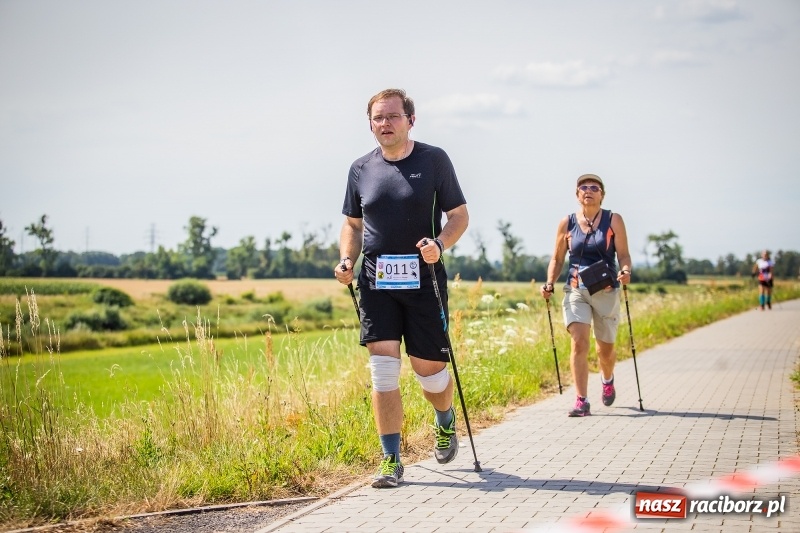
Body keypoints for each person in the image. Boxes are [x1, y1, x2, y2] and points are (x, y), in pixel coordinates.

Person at [333, 88, 469, 488]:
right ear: (370, 124)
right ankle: (390, 459)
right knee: (383, 370)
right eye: (378, 118)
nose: (385, 124)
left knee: (429, 374)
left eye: (393, 116)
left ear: (411, 119)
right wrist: (346, 259)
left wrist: (439, 245)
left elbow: (459, 216)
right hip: (376, 280)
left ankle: (444, 420)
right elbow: (353, 224)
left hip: (424, 279)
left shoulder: (433, 160)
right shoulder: (360, 169)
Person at [540, 174, 632, 417]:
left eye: (594, 187)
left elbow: (623, 255)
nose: (588, 191)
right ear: (577, 194)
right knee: (579, 341)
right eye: (583, 187)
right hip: (576, 289)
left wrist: (625, 271)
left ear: (602, 194)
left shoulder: (614, 220)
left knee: (606, 350)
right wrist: (550, 281)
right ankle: (581, 400)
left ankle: (607, 378)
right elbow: (558, 258)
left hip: (606, 290)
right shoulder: (567, 223)